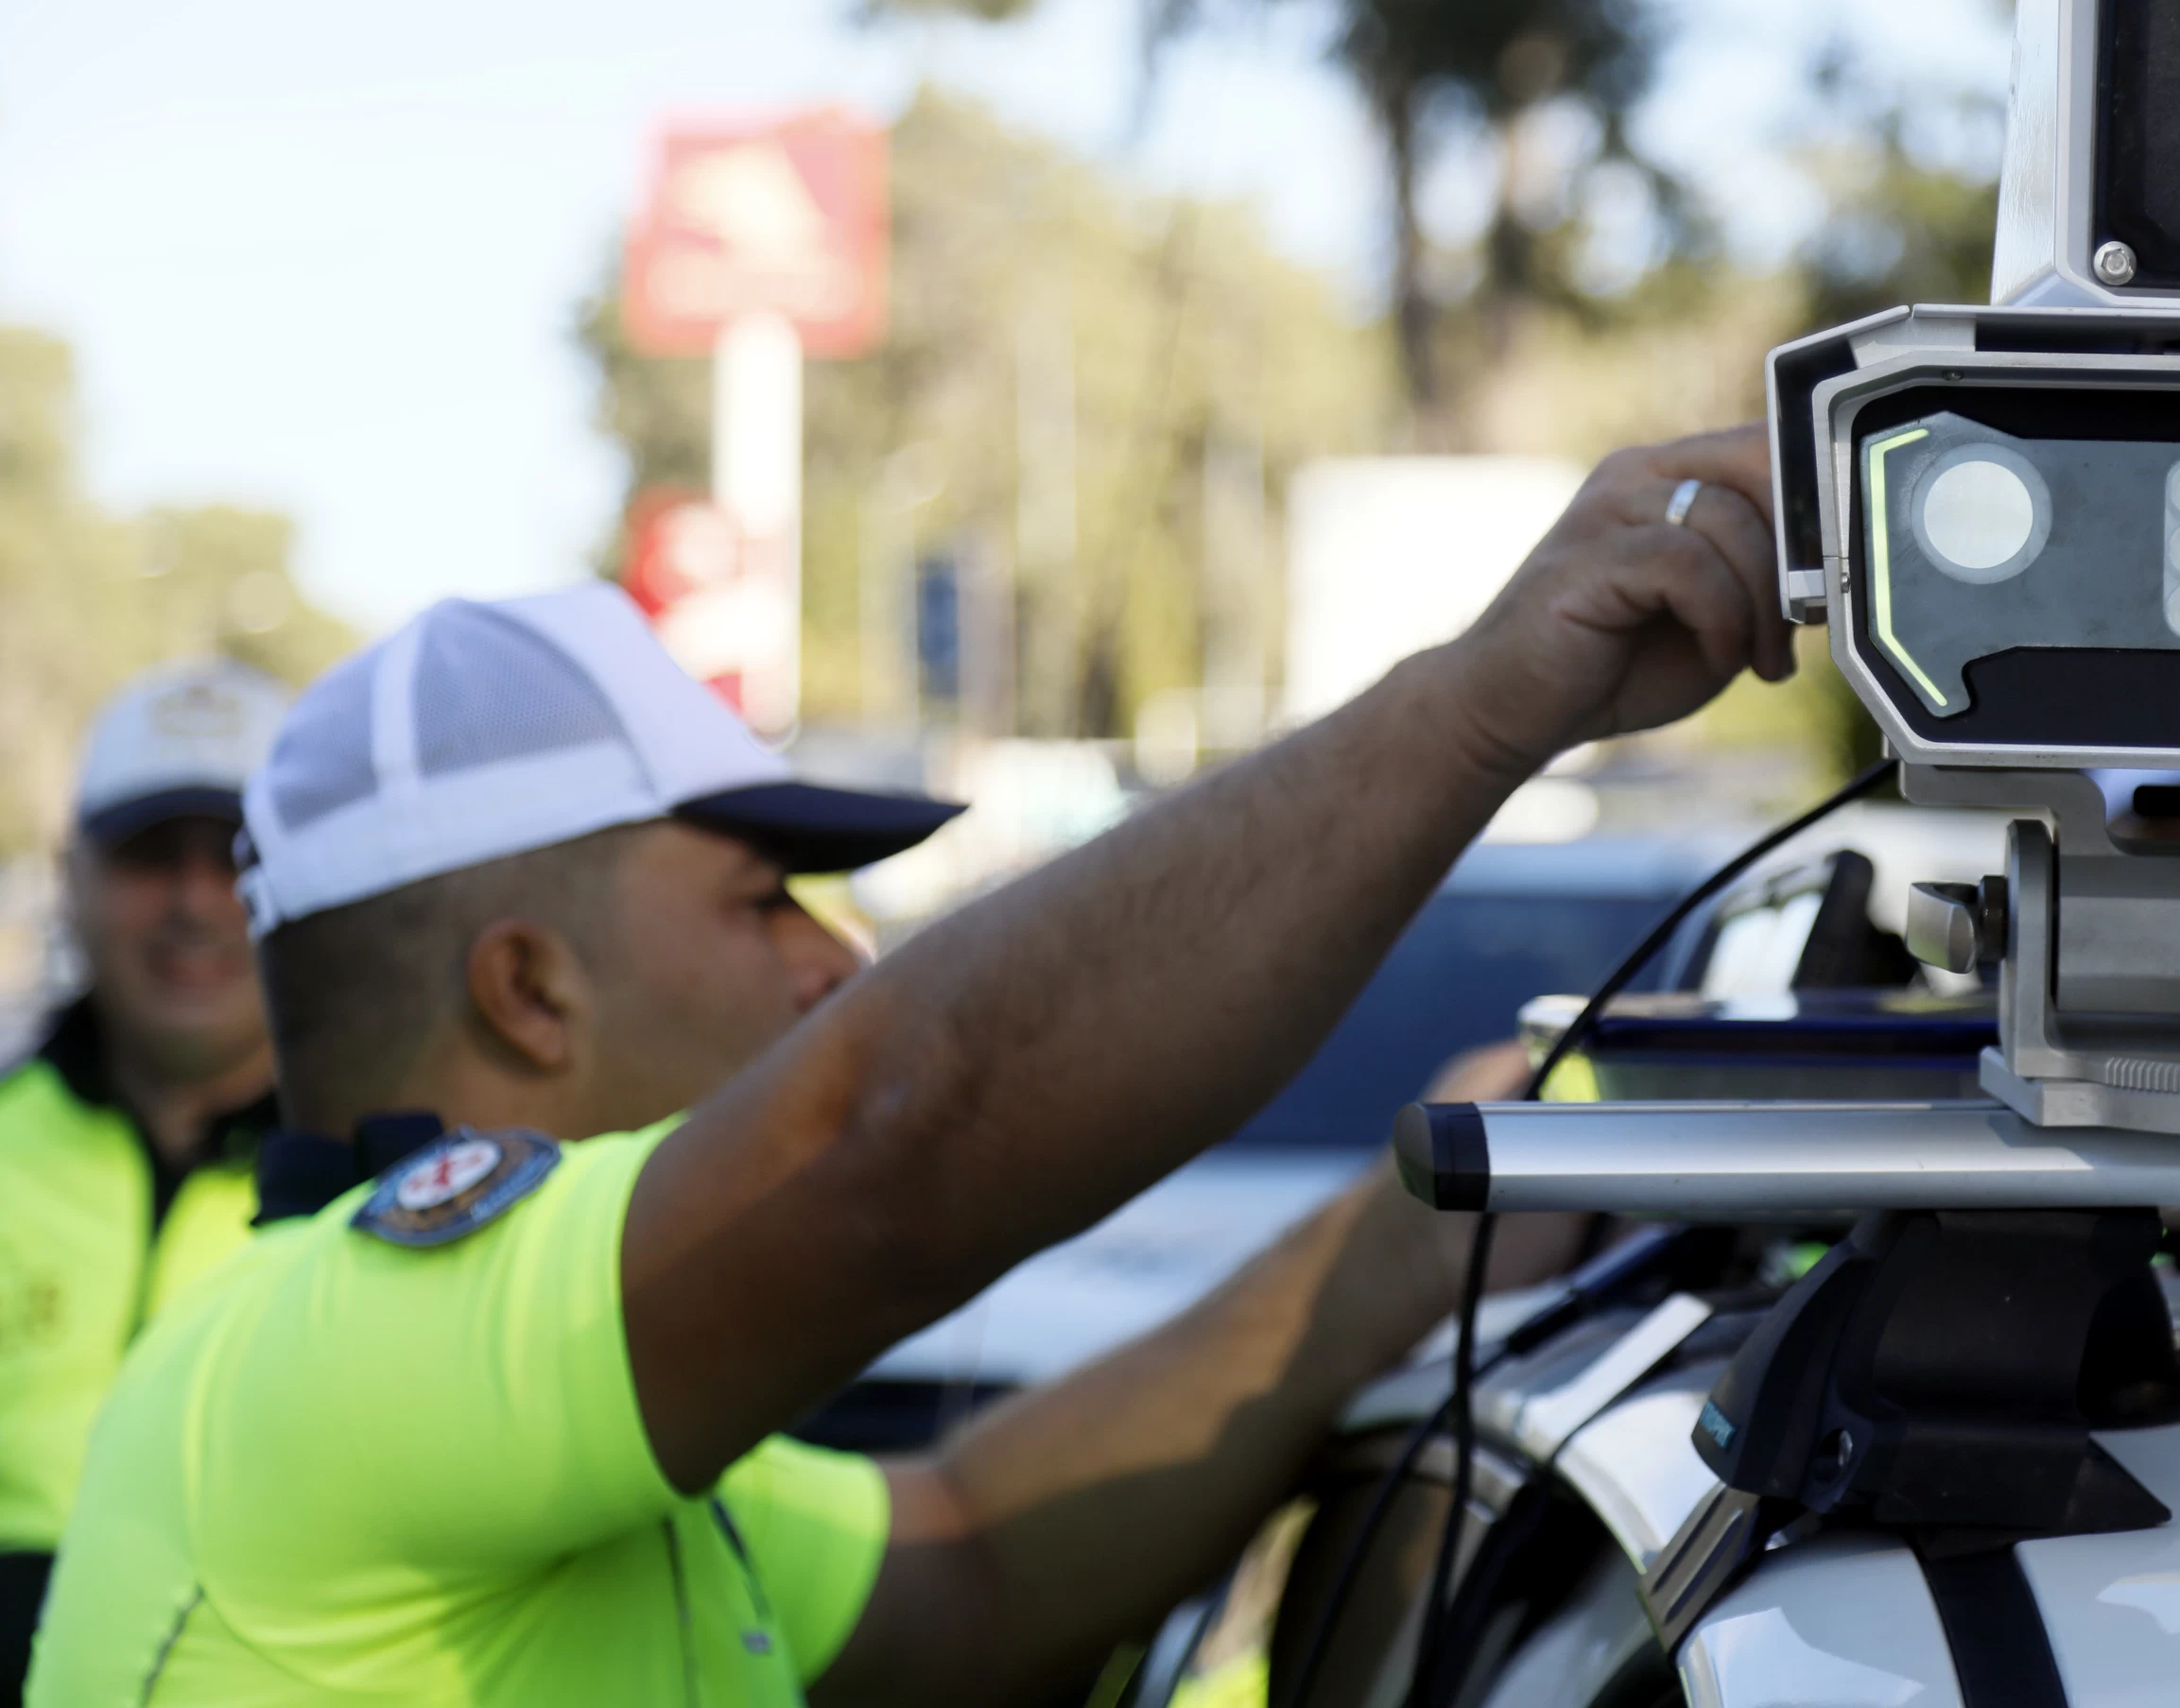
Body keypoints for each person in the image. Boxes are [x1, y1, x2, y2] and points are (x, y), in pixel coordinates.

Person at [30, 431, 1789, 1705]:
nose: (835, 959)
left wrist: (1410, 1231)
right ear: (528, 991)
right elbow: (896, 1133)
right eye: (761, 902)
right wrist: (1478, 708)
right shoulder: (329, 1349)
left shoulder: (506, 1425)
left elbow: (973, 1557)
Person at [0, 661, 287, 1693]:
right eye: (149, 856)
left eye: (238, 857)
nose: (194, 901)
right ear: (69, 873)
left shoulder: (388, 1191)